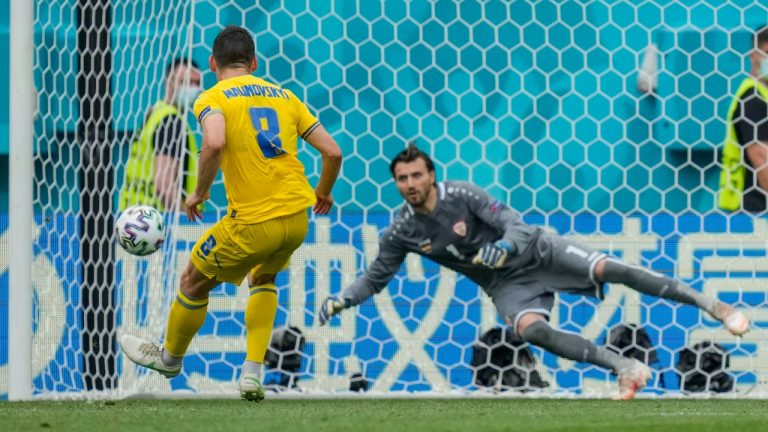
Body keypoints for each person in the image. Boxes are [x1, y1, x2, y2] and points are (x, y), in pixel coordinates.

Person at [319, 143, 749, 400]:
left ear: (432, 175)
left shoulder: (464, 194)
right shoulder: (402, 229)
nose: (409, 184)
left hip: (538, 251)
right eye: (401, 178)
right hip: (505, 283)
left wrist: (503, 246)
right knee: (529, 330)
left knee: (613, 269)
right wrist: (344, 299)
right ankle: (625, 368)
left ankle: (714, 305)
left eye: (416, 175)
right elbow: (376, 275)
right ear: (396, 183)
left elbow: (516, 224)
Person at [120, 25, 343, 402]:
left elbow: (216, 141)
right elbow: (333, 152)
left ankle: (170, 359)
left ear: (212, 63)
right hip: (297, 218)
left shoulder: (212, 97)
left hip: (254, 222)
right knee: (264, 277)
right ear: (254, 62)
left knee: (192, 279)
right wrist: (323, 192)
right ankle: (252, 374)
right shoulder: (285, 96)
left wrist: (199, 193)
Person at [119, 57, 203, 211]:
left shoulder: (155, 113)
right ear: (169, 83)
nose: (193, 88)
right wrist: (186, 218)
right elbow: (164, 186)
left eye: (196, 83)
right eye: (186, 82)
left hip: (132, 216)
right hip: (158, 222)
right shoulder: (171, 121)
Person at [719, 25, 768, 212]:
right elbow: (761, 158)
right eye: (767, 52)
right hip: (755, 211)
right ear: (753, 55)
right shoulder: (753, 99)